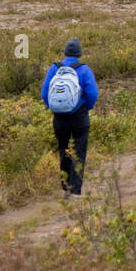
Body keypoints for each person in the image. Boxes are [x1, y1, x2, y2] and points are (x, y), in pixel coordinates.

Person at [40, 38, 98, 196]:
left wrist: (53, 106)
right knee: (79, 151)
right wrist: (87, 106)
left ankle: (65, 185)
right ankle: (75, 190)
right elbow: (93, 93)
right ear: (79, 53)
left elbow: (44, 93)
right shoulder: (84, 70)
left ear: (65, 52)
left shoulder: (54, 68)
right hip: (79, 116)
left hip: (59, 117)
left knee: (64, 149)